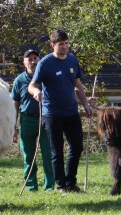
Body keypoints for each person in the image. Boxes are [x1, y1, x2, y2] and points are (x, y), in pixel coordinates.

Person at [28, 29, 95, 193]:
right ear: (53, 45)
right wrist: (36, 92)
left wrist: (85, 104)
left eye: (66, 43)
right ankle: (61, 186)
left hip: (71, 111)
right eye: (61, 44)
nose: (65, 47)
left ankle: (71, 182)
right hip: (51, 113)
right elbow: (32, 85)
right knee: (57, 150)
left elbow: (78, 85)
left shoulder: (72, 60)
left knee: (77, 147)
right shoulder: (45, 63)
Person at [12, 48, 56, 191]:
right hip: (27, 121)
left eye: (35, 58)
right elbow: (15, 104)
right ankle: (31, 186)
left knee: (48, 154)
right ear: (24, 63)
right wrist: (13, 126)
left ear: (39, 60)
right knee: (28, 156)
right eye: (29, 59)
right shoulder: (19, 81)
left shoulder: (47, 77)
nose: (33, 61)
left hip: (46, 119)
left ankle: (49, 186)